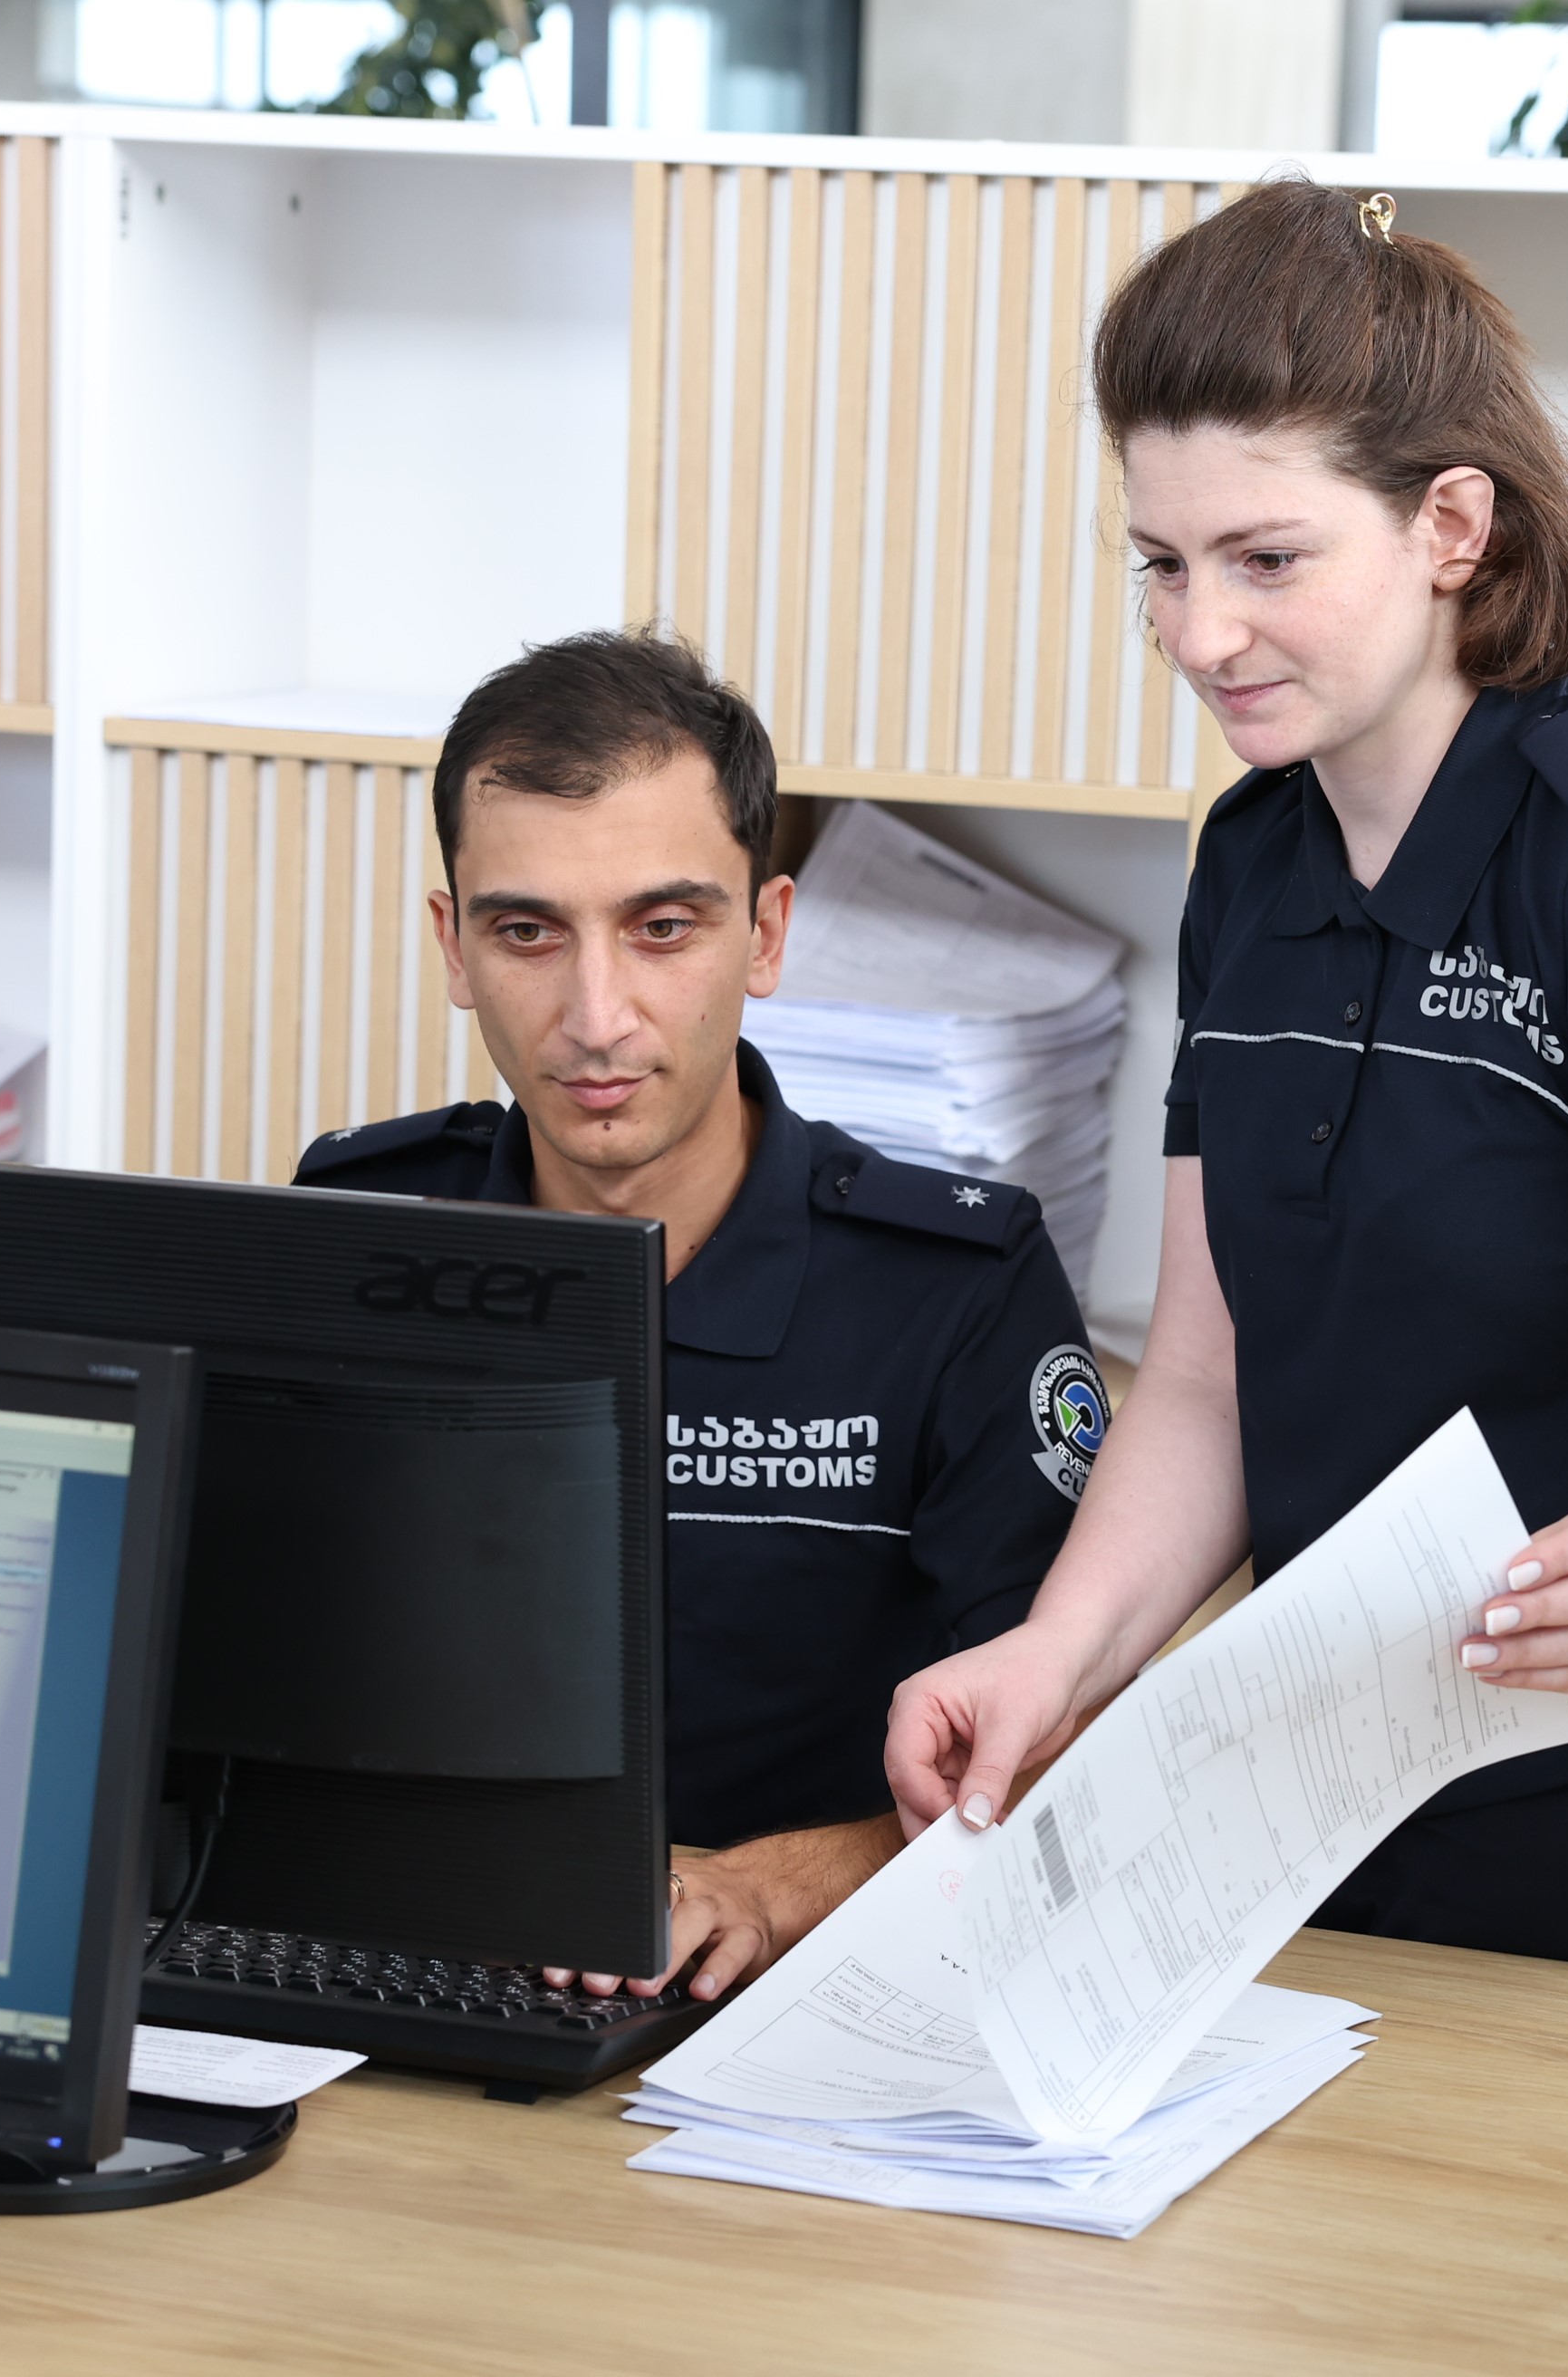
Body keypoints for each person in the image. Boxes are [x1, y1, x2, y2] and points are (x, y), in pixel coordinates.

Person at [882, 180, 1568, 1993]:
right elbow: (1209, 1381)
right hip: (1346, 1799)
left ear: (1449, 526)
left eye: (1265, 560)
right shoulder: (1252, 860)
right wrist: (1060, 1655)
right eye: (1162, 565)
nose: (1201, 635)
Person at [298, 630, 1107, 2005]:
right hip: (419, 1955)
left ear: (767, 933)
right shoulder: (357, 1224)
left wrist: (769, 1890)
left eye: (662, 928)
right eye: (526, 931)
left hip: (816, 1982)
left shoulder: (956, 1284)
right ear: (453, 946)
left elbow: (1067, 1743)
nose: (595, 1017)